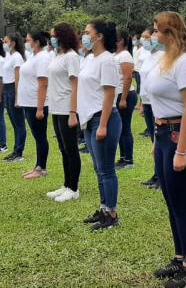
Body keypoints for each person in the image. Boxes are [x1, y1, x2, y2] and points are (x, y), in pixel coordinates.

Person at [146, 12, 186, 287]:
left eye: (157, 30)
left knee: (182, 204)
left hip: (182, 134)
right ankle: (180, 258)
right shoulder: (164, 61)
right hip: (164, 133)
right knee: (171, 202)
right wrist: (159, 141)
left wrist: (180, 151)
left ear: (169, 32)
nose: (153, 35)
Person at [79, 19, 123, 231]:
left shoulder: (107, 60)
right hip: (89, 119)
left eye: (87, 32)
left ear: (99, 36)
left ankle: (112, 214)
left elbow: (109, 94)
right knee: (98, 169)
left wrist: (103, 125)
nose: (84, 35)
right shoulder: (90, 59)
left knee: (106, 170)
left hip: (102, 118)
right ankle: (104, 208)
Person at [46, 23, 82, 202]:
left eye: (54, 35)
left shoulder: (72, 57)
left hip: (67, 107)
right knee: (63, 148)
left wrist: (73, 112)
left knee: (71, 148)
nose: (51, 39)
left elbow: (75, 85)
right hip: (56, 107)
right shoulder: (57, 55)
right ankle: (67, 184)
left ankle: (74, 188)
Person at [18, 31, 52, 180]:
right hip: (29, 102)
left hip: (35, 103)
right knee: (37, 136)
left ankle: (41, 168)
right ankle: (37, 166)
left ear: (36, 42)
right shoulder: (34, 56)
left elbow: (43, 83)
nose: (26, 42)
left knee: (40, 136)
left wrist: (40, 107)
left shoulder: (43, 58)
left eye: (28, 40)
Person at [138, 28, 162, 190]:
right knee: (154, 139)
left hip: (156, 103)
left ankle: (161, 176)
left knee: (159, 140)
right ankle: (156, 173)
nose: (148, 39)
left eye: (153, 34)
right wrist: (141, 102)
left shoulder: (162, 56)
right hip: (146, 101)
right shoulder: (148, 55)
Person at [0, 34, 27, 163]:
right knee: (14, 123)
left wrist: (17, 97)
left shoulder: (17, 57)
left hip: (13, 89)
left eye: (6, 41)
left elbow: (18, 78)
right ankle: (15, 150)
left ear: (13, 43)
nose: (4, 44)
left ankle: (19, 152)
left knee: (19, 123)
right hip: (7, 89)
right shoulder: (9, 56)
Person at [114, 30, 137, 169]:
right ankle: (122, 157)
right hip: (118, 94)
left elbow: (128, 77)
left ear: (121, 40)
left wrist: (123, 98)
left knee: (125, 128)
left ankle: (128, 160)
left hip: (126, 94)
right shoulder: (116, 55)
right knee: (120, 129)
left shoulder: (125, 56)